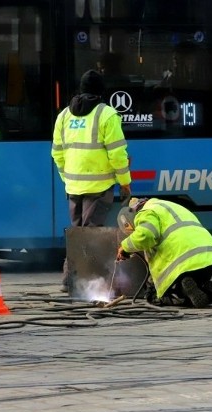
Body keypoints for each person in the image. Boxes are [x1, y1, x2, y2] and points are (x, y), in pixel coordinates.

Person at [52, 69, 132, 292]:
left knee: (78, 234)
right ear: (100, 92)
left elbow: (57, 154)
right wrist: (125, 182)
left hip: (73, 186)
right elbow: (117, 154)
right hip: (99, 186)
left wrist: (67, 178)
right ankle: (88, 284)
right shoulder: (106, 115)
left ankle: (71, 281)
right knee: (91, 233)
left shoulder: (64, 116)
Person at [115, 197, 212, 308]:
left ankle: (189, 294)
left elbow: (146, 235)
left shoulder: (145, 212)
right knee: (193, 284)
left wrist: (125, 247)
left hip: (182, 260)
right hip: (207, 257)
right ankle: (207, 288)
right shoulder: (169, 206)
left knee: (157, 297)